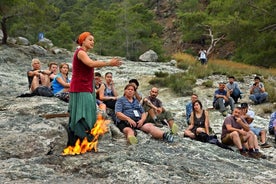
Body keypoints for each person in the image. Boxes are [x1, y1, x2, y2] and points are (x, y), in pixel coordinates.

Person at [67, 31, 122, 147]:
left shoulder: (83, 53)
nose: (93, 42)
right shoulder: (80, 52)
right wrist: (108, 63)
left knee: (88, 112)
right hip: (80, 88)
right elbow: (91, 64)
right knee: (82, 113)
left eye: (93, 40)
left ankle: (83, 141)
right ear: (83, 41)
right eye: (90, 39)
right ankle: (79, 139)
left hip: (86, 88)